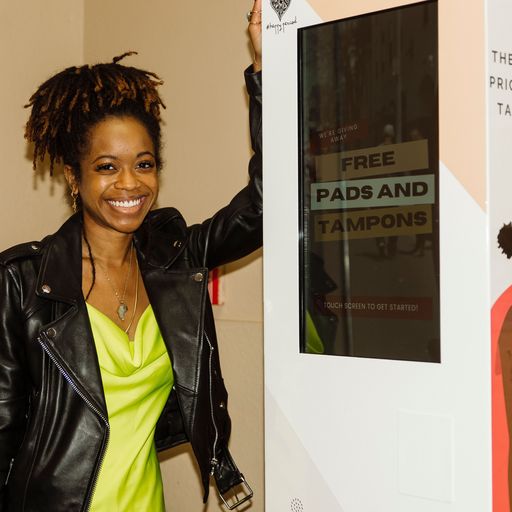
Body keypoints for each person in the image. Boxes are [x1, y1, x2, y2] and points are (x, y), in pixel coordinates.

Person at [0, 2, 262, 510]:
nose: (129, 183)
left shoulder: (174, 261)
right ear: (74, 178)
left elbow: (266, 203)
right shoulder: (23, 284)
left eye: (143, 164)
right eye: (106, 166)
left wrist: (265, 71)